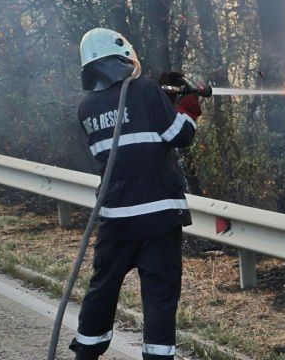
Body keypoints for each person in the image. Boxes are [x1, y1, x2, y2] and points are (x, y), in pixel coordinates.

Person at [70, 28, 201, 360]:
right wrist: (188, 105)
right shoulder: (144, 89)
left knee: (103, 289)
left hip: (116, 220)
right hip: (158, 219)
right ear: (123, 58)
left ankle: (86, 353)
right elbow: (179, 134)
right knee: (159, 295)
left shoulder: (86, 108)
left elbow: (134, 127)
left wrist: (164, 98)